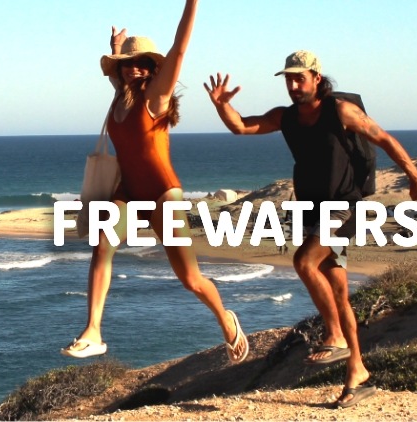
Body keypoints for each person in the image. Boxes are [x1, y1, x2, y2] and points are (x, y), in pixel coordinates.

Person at [203, 51, 417, 408]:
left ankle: (335, 335)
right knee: (338, 291)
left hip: (345, 206)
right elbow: (242, 126)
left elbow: (383, 138)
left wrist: (414, 176)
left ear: (316, 78)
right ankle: (357, 372)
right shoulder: (286, 117)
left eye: (300, 78)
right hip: (313, 209)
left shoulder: (340, 111)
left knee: (304, 262)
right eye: (289, 80)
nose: (294, 85)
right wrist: (221, 105)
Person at [62, 0, 249, 365]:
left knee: (191, 279)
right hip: (128, 193)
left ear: (152, 67)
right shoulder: (121, 93)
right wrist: (117, 48)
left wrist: (191, 5)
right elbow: (116, 74)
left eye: (140, 62)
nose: (133, 68)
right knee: (102, 245)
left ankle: (226, 319)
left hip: (163, 195)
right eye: (127, 64)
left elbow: (179, 49)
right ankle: (93, 331)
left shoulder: (156, 96)